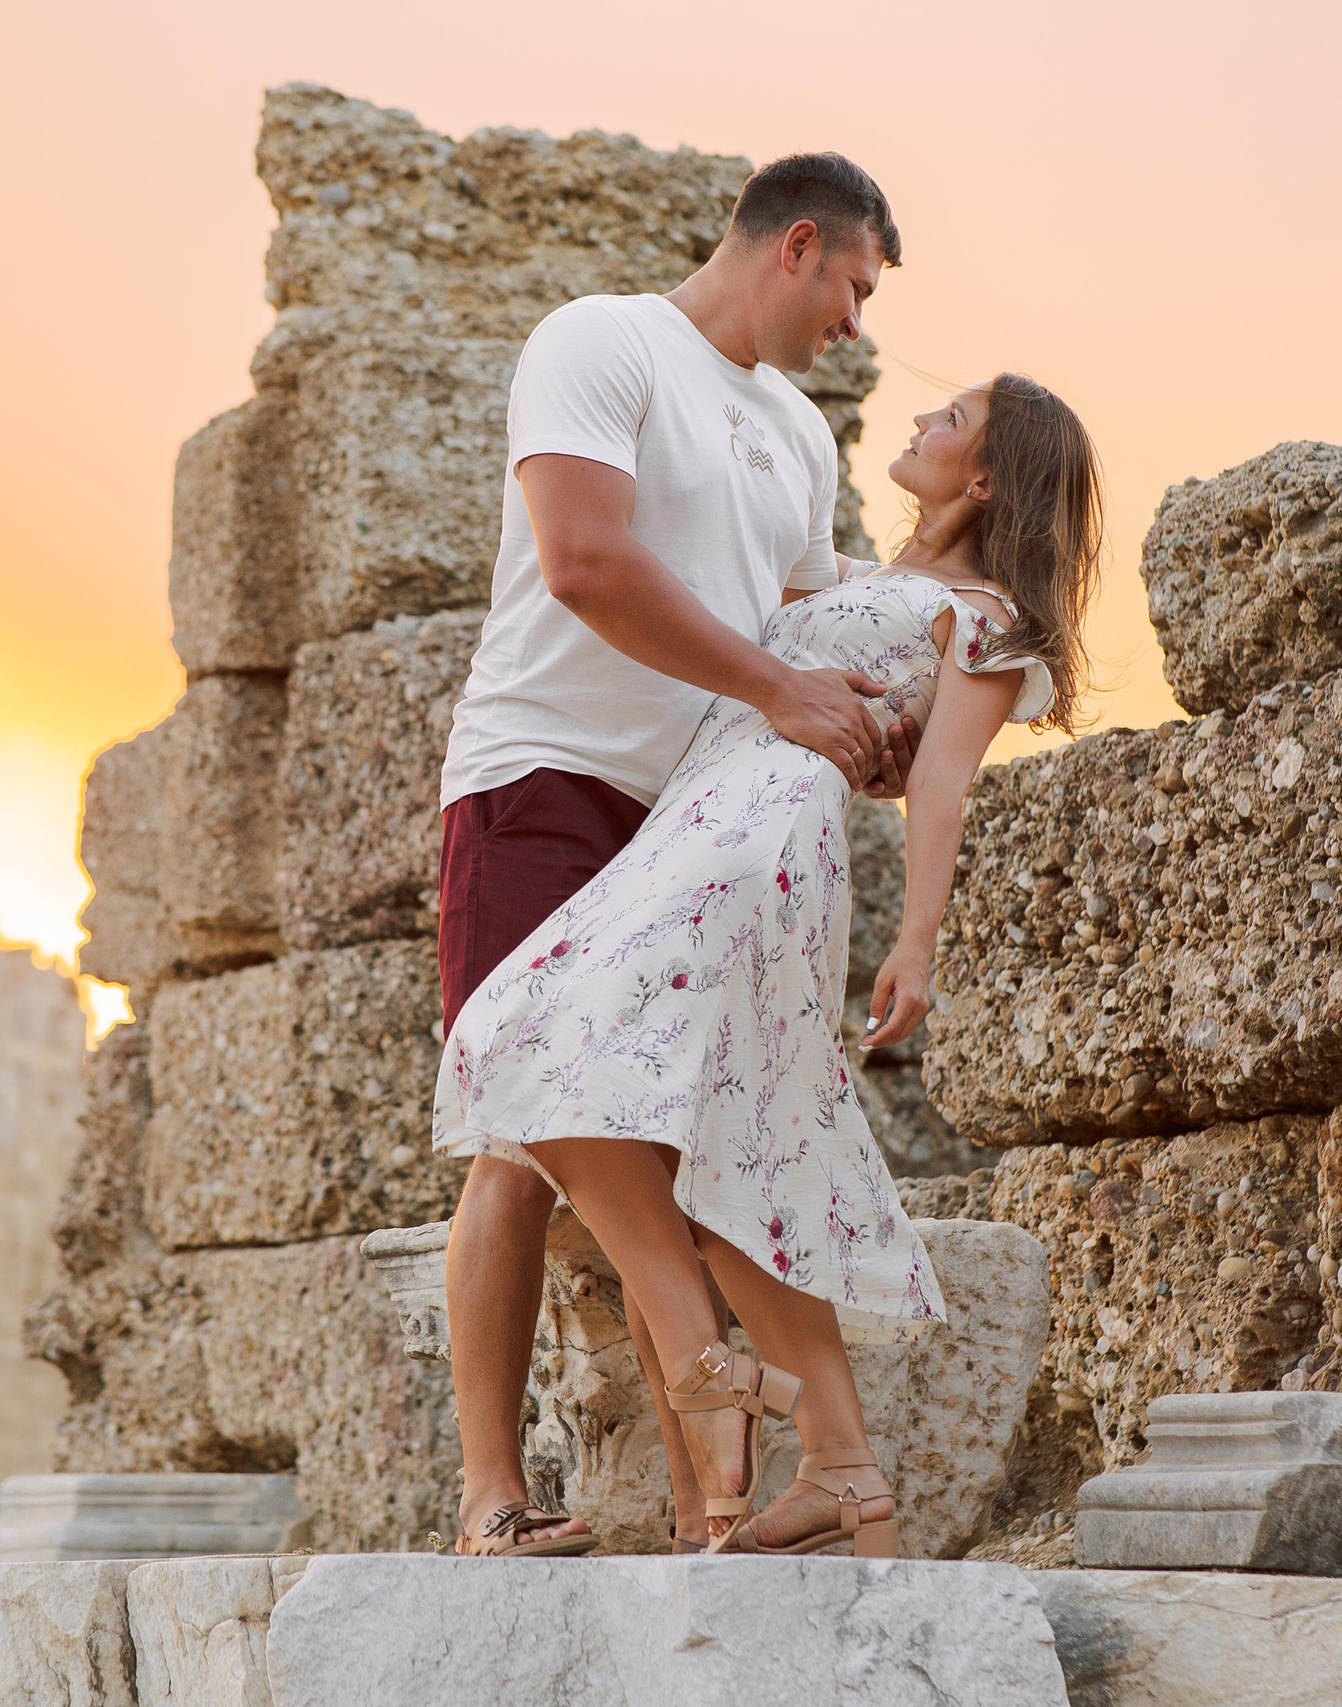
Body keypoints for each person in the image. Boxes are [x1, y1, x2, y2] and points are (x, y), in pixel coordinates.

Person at [436, 372, 1102, 1553]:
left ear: (988, 478)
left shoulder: (985, 615)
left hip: (755, 844)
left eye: (947, 422)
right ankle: (821, 1476)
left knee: (531, 1036)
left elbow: (940, 780)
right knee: (692, 1114)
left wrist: (916, 944)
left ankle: (708, 1369)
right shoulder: (848, 578)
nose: (916, 424)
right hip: (684, 825)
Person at [433, 152, 919, 1558]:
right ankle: (490, 1495)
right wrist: (779, 692)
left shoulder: (803, 437)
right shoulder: (600, 340)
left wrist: (876, 729)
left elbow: (807, 629)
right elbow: (582, 558)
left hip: (691, 818)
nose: (857, 326)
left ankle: (723, 1518)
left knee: (681, 1136)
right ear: (799, 245)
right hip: (541, 776)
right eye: (855, 289)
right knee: (523, 1131)